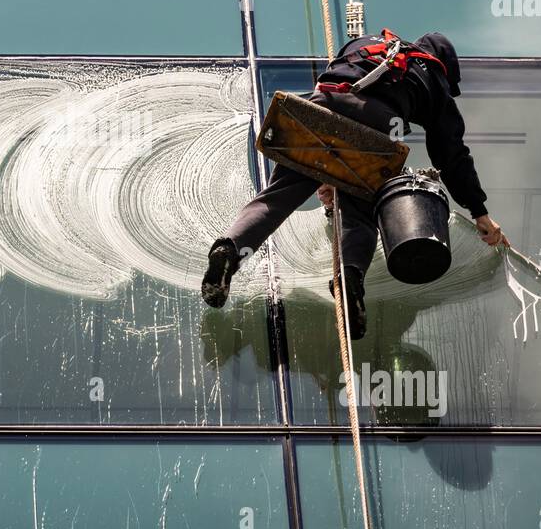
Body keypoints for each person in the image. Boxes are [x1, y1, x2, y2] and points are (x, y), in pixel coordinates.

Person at [200, 30, 509, 339]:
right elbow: (451, 153)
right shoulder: (432, 76)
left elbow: (334, 81)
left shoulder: (366, 43)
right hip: (375, 127)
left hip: (321, 107)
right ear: (444, 65)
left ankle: (229, 249)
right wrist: (479, 211)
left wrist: (324, 171)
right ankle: (349, 282)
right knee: (361, 215)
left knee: (277, 198)